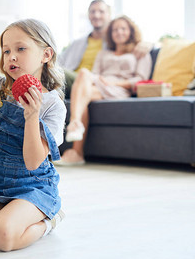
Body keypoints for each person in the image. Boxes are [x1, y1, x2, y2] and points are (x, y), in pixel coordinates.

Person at [0, 19, 67, 252]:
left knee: (1, 237)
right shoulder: (0, 89)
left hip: (33, 187)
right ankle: (7, 215)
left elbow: (33, 161)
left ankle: (48, 221)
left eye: (21, 49)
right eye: (6, 51)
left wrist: (31, 116)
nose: (11, 57)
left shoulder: (53, 106)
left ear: (46, 54)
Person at [55, 15, 152, 166]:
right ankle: (76, 151)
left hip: (120, 89)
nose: (119, 32)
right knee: (83, 86)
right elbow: (94, 74)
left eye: (123, 28)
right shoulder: (103, 53)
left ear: (131, 31)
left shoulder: (139, 52)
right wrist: (99, 80)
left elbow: (140, 79)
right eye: (115, 30)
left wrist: (116, 82)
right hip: (100, 85)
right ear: (111, 34)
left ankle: (75, 128)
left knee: (82, 86)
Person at [59, 0, 152, 98]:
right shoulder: (77, 43)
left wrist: (148, 44)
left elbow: (134, 42)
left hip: (92, 81)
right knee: (53, 71)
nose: (96, 15)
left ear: (109, 16)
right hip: (80, 79)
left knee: (81, 75)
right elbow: (58, 61)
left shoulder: (113, 42)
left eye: (101, 11)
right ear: (88, 15)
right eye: (92, 12)